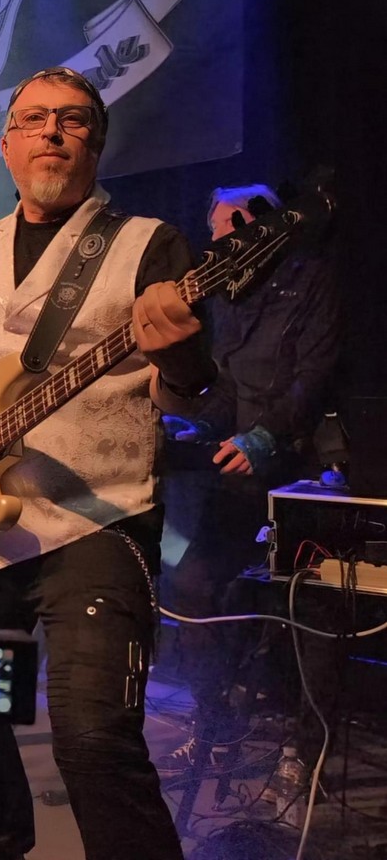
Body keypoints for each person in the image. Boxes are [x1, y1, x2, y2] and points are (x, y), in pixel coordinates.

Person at [0, 65, 228, 860]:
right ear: (5, 145)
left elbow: (187, 395)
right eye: (33, 119)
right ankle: (0, 836)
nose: (52, 132)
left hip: (96, 520)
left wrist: (183, 357)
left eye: (72, 119)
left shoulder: (147, 244)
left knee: (94, 740)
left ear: (95, 143)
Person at [157, 184, 339, 780]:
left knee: (307, 606)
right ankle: (214, 726)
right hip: (240, 475)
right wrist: (200, 424)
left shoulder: (314, 279)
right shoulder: (232, 299)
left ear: (248, 225)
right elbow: (230, 385)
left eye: (219, 233)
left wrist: (265, 437)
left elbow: (315, 375)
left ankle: (304, 750)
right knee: (190, 587)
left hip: (300, 474)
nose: (213, 246)